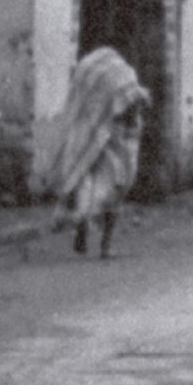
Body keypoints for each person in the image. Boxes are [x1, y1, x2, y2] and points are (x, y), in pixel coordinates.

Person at [49, 47, 149, 258]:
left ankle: (89, 231)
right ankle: (100, 241)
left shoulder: (122, 79)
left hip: (117, 145)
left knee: (103, 194)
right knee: (107, 195)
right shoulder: (123, 79)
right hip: (111, 145)